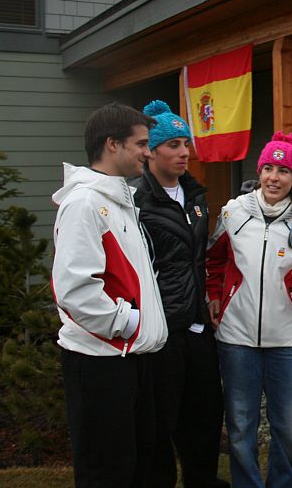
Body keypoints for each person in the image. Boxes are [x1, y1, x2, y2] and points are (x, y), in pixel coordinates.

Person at [206, 131, 292, 488]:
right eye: (267, 168)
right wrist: (214, 295)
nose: (273, 177)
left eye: (283, 170)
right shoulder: (233, 212)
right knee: (240, 427)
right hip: (237, 339)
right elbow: (214, 261)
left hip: (291, 343)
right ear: (259, 171)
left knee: (286, 429)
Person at [51, 102, 168, 487]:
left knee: (137, 466)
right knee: (107, 471)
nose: (148, 152)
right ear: (112, 144)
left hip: (130, 358)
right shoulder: (85, 204)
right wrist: (129, 324)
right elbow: (74, 288)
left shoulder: (118, 200)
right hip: (102, 362)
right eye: (142, 144)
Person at [132, 100, 228, 488]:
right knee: (160, 425)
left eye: (185, 143)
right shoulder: (137, 201)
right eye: (172, 145)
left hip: (198, 326)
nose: (183, 152)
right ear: (150, 151)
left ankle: (202, 481)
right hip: (162, 331)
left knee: (205, 416)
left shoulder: (196, 198)